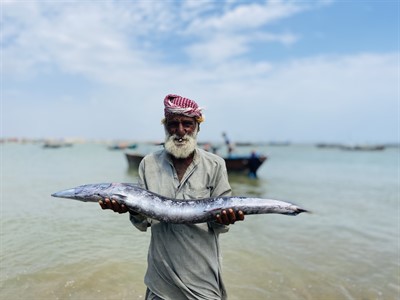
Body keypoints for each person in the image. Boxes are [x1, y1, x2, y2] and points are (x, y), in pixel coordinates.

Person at [99, 94, 245, 300]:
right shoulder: (148, 164)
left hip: (202, 280)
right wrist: (129, 208)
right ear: (165, 126)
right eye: (173, 124)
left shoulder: (216, 165)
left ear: (197, 128)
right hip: (160, 280)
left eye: (187, 124)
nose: (180, 131)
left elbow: (221, 227)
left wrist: (226, 218)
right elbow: (143, 224)